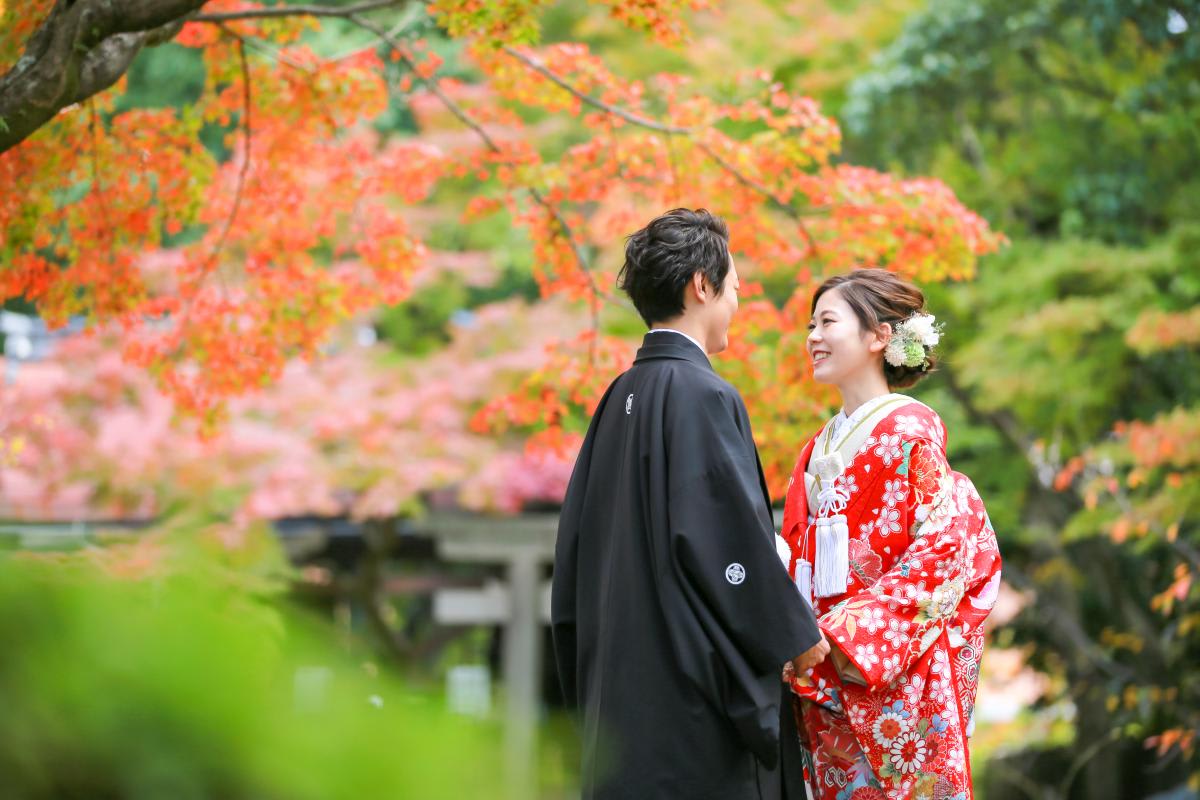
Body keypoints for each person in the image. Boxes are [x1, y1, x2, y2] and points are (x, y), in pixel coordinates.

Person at [552, 208, 829, 800]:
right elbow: (726, 540)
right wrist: (793, 633)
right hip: (688, 709)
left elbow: (573, 548)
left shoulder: (617, 398)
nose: (736, 303)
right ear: (702, 286)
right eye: (734, 289)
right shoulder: (701, 393)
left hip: (619, 703)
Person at [778, 268, 1003, 800]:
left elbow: (945, 553)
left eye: (827, 322)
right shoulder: (815, 447)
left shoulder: (910, 434)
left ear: (879, 336)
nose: (813, 337)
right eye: (811, 325)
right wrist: (793, 632)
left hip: (884, 671)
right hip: (818, 674)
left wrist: (844, 638)